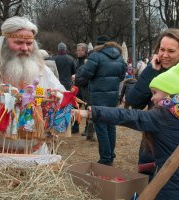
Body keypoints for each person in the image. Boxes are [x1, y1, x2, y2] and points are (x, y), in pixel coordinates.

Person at [72, 63, 179, 199]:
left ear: (170, 92)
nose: (152, 98)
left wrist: (88, 112)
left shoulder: (163, 116)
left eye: (155, 93)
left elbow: (127, 116)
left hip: (169, 187)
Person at [0, 16, 65, 154]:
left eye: (29, 43)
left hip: (35, 154)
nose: (25, 48)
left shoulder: (43, 71)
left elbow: (61, 97)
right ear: (4, 44)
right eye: (18, 42)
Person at [125, 28, 179, 177]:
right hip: (151, 144)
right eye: (162, 49)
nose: (164, 55)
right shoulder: (155, 70)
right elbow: (133, 101)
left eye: (171, 51)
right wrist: (150, 71)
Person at [75, 36, 126, 166]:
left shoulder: (96, 56)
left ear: (99, 45)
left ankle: (105, 158)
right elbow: (121, 76)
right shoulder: (120, 57)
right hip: (113, 97)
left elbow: (85, 75)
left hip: (98, 97)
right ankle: (110, 155)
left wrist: (80, 79)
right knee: (110, 126)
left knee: (101, 127)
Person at [74, 43, 95, 139]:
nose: (76, 52)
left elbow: (87, 76)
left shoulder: (88, 61)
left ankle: (87, 128)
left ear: (84, 51)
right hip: (78, 88)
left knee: (87, 108)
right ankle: (75, 126)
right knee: (76, 106)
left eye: (78, 50)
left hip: (86, 88)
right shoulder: (77, 61)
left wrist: (77, 79)